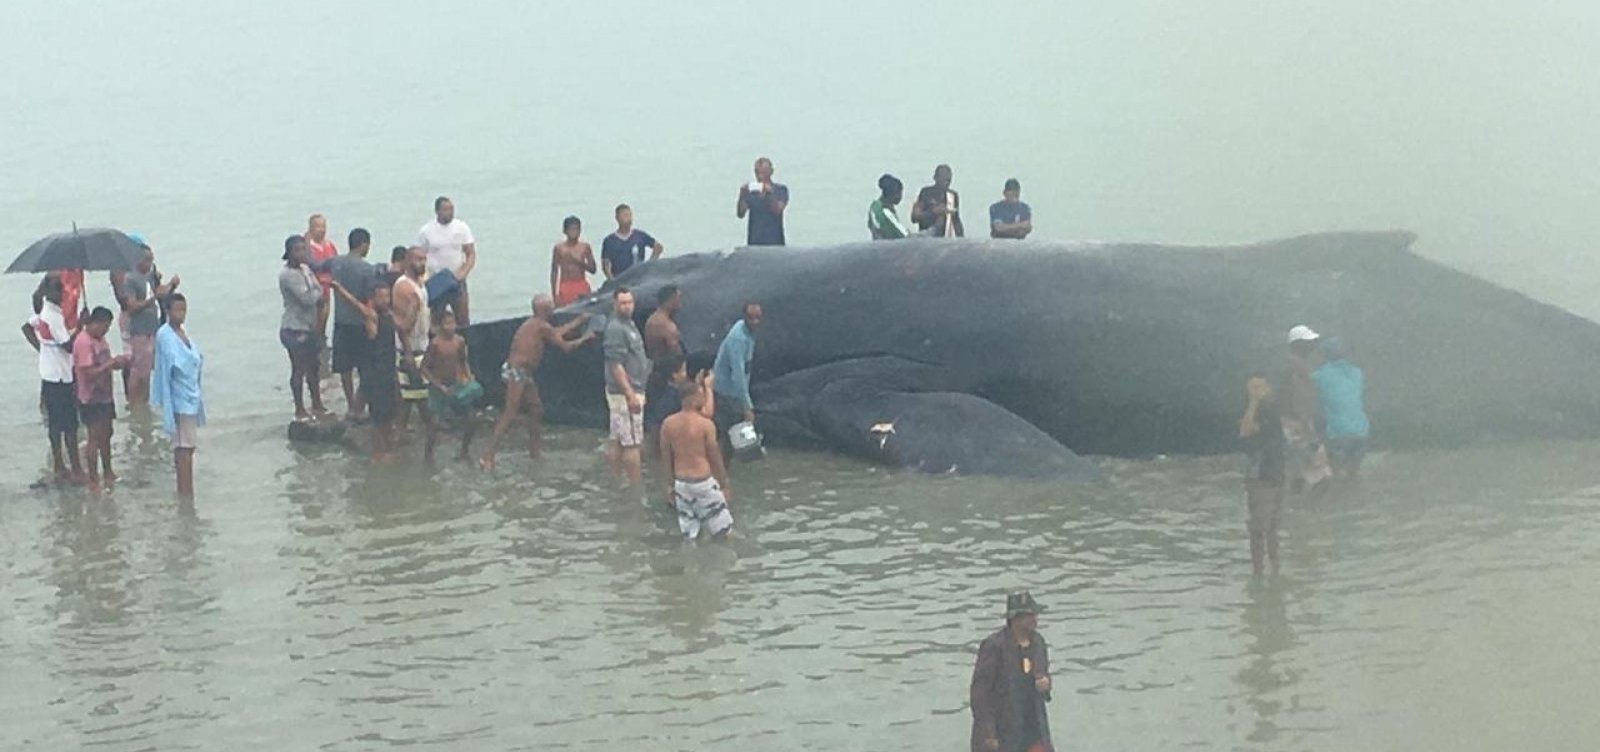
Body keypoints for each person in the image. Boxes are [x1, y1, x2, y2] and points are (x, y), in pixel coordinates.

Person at [479, 295, 594, 470]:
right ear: (544, 310)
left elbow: (555, 333)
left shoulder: (535, 324)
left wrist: (578, 320)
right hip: (517, 371)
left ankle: (534, 452)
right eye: (551, 306)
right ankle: (487, 456)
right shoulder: (540, 326)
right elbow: (565, 347)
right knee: (510, 413)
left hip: (524, 373)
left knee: (536, 409)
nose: (554, 308)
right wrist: (585, 338)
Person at [970, 591, 1054, 752]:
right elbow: (980, 695)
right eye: (1029, 616)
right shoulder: (994, 647)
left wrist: (1046, 684)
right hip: (1002, 733)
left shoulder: (1038, 642)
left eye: (1035, 615)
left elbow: (1044, 675)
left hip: (1034, 729)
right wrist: (989, 735)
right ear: (1015, 618)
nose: (1035, 619)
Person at [21, 275, 85, 483]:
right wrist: (82, 325)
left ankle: (59, 464)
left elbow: (27, 327)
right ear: (49, 292)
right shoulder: (53, 316)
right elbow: (67, 346)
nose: (62, 294)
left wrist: (43, 350)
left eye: (63, 290)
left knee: (55, 425)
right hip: (60, 377)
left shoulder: (43, 314)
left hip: (50, 374)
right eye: (59, 290)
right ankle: (74, 467)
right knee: (69, 425)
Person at [331, 280, 399, 464]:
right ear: (373, 299)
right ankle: (378, 452)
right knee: (377, 416)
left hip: (388, 370)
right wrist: (339, 289)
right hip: (374, 372)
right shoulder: (372, 316)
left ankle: (386, 447)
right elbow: (354, 303)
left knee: (388, 413)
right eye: (382, 297)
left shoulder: (389, 316)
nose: (386, 300)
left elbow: (402, 330)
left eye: (388, 296)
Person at [660, 380, 734, 541]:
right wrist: (724, 483)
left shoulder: (667, 424)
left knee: (690, 536)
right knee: (724, 532)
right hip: (703, 482)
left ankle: (691, 564)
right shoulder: (706, 425)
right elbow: (715, 457)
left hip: (681, 484)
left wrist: (669, 485)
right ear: (693, 398)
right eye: (701, 395)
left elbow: (666, 458)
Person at [323, 227, 382, 421]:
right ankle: (360, 406)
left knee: (344, 368)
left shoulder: (335, 262)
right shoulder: (367, 269)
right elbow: (370, 297)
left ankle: (350, 404)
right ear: (364, 244)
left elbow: (316, 265)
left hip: (341, 322)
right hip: (360, 323)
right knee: (365, 366)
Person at [151, 294, 204, 501]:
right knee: (183, 446)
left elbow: (192, 356)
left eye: (184, 309)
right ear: (167, 311)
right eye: (177, 310)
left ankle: (186, 489)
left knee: (188, 446)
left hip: (190, 394)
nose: (181, 314)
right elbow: (174, 363)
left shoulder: (182, 332)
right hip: (179, 396)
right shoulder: (164, 334)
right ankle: (185, 491)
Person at [73, 307, 128, 487]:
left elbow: (105, 362)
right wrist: (109, 364)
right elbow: (87, 373)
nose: (106, 330)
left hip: (105, 396)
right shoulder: (83, 342)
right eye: (105, 326)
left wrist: (117, 363)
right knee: (94, 438)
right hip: (90, 397)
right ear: (96, 323)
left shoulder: (101, 340)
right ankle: (93, 478)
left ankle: (108, 471)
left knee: (107, 434)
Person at [1239, 373, 1287, 577]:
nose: (1256, 391)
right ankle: (1258, 570)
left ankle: (1274, 568)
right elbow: (1245, 431)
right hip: (1260, 475)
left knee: (1271, 526)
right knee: (1260, 526)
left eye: (1260, 387)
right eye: (1252, 388)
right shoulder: (1254, 410)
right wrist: (1252, 404)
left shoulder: (1271, 411)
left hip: (1274, 472)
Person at [604, 287, 651, 490]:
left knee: (617, 438)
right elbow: (616, 364)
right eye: (622, 303)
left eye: (629, 302)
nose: (627, 306)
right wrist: (630, 393)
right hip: (626, 393)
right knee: (632, 444)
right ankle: (635, 486)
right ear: (615, 304)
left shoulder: (628, 324)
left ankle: (615, 478)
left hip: (627, 391)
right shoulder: (616, 328)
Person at [120, 245, 179, 406]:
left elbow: (159, 291)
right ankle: (133, 402)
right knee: (138, 369)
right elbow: (131, 307)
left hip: (152, 328)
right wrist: (152, 299)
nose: (150, 262)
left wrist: (171, 286)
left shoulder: (149, 275)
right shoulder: (131, 279)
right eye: (147, 259)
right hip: (139, 330)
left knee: (147, 370)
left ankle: (144, 401)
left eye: (151, 259)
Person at [421, 311, 482, 463]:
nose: (450, 327)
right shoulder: (435, 344)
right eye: (447, 324)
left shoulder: (459, 341)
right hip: (438, 386)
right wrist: (438, 385)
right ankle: (428, 455)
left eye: (453, 323)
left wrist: (468, 376)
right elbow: (424, 368)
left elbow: (463, 361)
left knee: (471, 419)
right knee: (435, 423)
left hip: (456, 384)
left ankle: (464, 451)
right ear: (440, 326)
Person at [280, 235, 329, 421]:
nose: (302, 253)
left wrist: (317, 293)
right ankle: (299, 408)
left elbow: (318, 290)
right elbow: (307, 299)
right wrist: (318, 294)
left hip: (310, 327)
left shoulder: (306, 269)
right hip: (294, 328)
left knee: (314, 367)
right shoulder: (287, 275)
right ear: (289, 252)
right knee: (298, 368)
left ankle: (317, 404)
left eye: (304, 249)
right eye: (297, 250)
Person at [1283, 325, 1332, 493]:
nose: (1312, 346)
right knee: (1322, 477)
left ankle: (1296, 509)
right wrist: (1306, 427)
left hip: (1295, 424)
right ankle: (1311, 513)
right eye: (1308, 343)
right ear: (1298, 345)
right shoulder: (1296, 367)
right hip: (1298, 425)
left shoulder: (1292, 365)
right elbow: (1298, 399)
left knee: (1300, 472)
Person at [1314, 337, 1370, 481]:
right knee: (1354, 473)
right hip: (1361, 430)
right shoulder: (1357, 373)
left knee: (1336, 475)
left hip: (1337, 432)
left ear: (1324, 355)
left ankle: (1338, 500)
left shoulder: (1320, 375)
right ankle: (1356, 499)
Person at [644, 351, 715, 465]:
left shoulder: (659, 389)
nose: (686, 374)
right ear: (674, 375)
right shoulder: (677, 395)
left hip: (657, 437)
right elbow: (706, 413)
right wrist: (707, 387)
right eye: (683, 370)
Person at [416, 196, 477, 326]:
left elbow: (470, 253)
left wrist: (463, 272)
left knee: (462, 319)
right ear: (437, 211)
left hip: (457, 280)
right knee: (436, 319)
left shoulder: (461, 227)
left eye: (451, 209)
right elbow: (419, 255)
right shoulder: (426, 231)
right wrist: (422, 278)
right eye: (445, 209)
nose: (449, 212)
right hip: (436, 281)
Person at [392, 246, 432, 433]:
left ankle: (409, 429)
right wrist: (407, 353)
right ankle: (425, 427)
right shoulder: (403, 287)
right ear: (408, 261)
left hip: (422, 345)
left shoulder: (421, 284)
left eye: (424, 259)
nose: (422, 263)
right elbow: (402, 326)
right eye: (418, 259)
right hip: (409, 349)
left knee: (413, 395)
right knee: (412, 395)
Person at [712, 301, 762, 442]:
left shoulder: (746, 331)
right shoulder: (738, 339)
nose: (755, 321)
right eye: (751, 318)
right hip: (727, 390)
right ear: (744, 317)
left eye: (758, 317)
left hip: (735, 389)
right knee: (730, 432)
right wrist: (746, 405)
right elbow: (737, 374)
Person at [601, 204, 664, 280]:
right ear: (617, 218)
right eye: (625, 216)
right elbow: (606, 264)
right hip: (620, 278)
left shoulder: (639, 235)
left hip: (638, 278)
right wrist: (612, 280)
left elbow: (658, 247)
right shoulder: (609, 241)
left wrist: (649, 264)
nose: (629, 219)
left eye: (630, 215)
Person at [736, 157, 789, 246]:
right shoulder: (752, 192)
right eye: (757, 172)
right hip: (754, 241)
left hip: (774, 242)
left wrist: (770, 194)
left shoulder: (780, 190)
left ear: (771, 172)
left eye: (764, 173)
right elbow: (741, 214)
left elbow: (778, 210)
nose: (760, 176)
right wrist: (742, 196)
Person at [305, 213, 339, 340]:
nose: (322, 230)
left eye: (324, 226)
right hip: (314, 290)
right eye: (318, 227)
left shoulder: (329, 245)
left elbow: (336, 263)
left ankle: (322, 341)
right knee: (315, 323)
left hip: (327, 289)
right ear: (311, 228)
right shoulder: (307, 247)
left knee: (324, 319)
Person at [551, 216, 597, 307]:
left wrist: (578, 261)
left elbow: (593, 270)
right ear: (565, 231)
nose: (574, 232)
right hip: (565, 285)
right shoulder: (559, 248)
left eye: (577, 229)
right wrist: (554, 294)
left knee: (585, 310)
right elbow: (554, 272)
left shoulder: (585, 247)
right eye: (571, 230)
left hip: (581, 283)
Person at [912, 164, 964, 238]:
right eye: (943, 178)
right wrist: (934, 212)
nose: (946, 182)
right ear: (935, 178)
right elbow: (915, 217)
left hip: (945, 239)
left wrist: (961, 238)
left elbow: (956, 220)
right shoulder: (926, 192)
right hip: (928, 237)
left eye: (948, 180)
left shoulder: (952, 195)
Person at [644, 285, 683, 361]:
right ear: (671, 300)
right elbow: (676, 353)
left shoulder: (652, 320)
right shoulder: (666, 326)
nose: (680, 302)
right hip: (669, 368)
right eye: (678, 298)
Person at [867, 174, 910, 240]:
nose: (900, 197)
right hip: (887, 246)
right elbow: (904, 235)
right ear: (893, 193)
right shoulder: (886, 212)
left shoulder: (874, 207)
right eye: (899, 193)